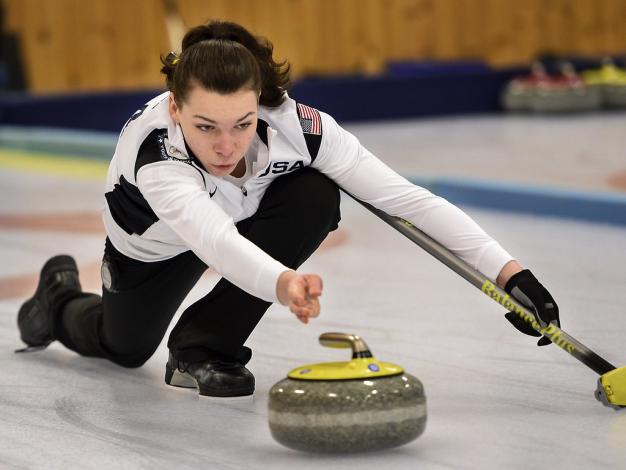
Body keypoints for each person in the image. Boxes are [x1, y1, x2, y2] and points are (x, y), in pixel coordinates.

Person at [17, 20, 560, 398]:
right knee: (125, 347)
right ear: (177, 109)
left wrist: (512, 273)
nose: (226, 147)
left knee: (316, 194)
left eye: (242, 124)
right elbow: (213, 241)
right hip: (155, 245)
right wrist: (282, 284)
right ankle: (59, 297)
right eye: (206, 127)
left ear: (261, 104)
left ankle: (203, 347)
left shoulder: (301, 126)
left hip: (231, 220)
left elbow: (406, 199)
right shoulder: (157, 155)